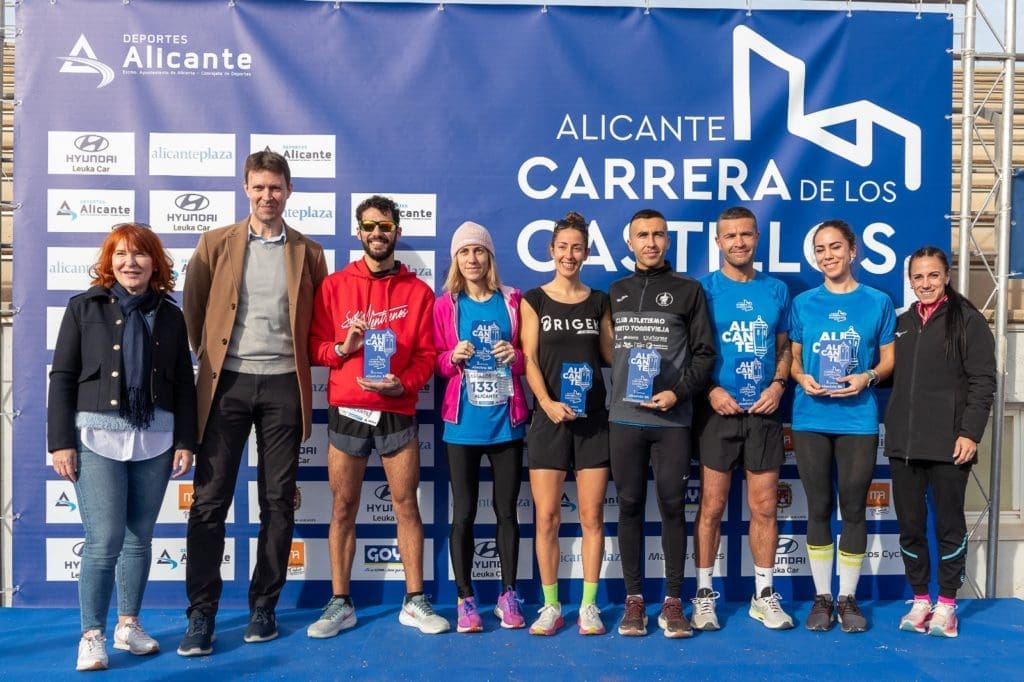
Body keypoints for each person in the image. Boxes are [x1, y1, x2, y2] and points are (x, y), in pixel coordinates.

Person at [179, 151, 328, 655]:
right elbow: (194, 312)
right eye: (259, 187)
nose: (268, 196)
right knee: (209, 501)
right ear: (246, 188)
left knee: (278, 502)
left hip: (285, 385)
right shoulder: (214, 243)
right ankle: (201, 613)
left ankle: (264, 606)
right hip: (227, 386)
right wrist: (213, 360)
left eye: (276, 188)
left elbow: (317, 322)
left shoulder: (309, 252)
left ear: (289, 191)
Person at [48, 223, 196, 671]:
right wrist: (61, 443)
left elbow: (184, 384)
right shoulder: (83, 307)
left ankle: (128, 624)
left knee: (139, 538)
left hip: (155, 439)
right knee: (105, 539)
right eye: (121, 255)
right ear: (109, 262)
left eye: (140, 254)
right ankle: (91, 634)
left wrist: (185, 440)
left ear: (155, 263)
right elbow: (63, 377)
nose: (130, 263)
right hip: (95, 438)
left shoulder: (170, 315)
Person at [306, 195, 449, 636]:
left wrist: (402, 384)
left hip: (396, 409)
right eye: (369, 226)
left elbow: (427, 356)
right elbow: (314, 347)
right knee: (343, 506)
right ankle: (340, 602)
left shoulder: (418, 292)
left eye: (385, 226)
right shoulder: (334, 286)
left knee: (406, 504)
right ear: (358, 232)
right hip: (348, 408)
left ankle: (414, 600)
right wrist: (342, 348)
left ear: (397, 232)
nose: (377, 233)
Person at [609, 208, 716, 639]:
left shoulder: (688, 290)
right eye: (642, 235)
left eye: (658, 235)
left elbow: (705, 354)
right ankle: (634, 600)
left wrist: (678, 392)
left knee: (673, 506)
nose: (650, 242)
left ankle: (673, 601)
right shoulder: (616, 291)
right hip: (624, 418)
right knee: (630, 506)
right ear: (630, 242)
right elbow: (606, 352)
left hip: (672, 420)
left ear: (668, 241)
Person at [789, 219, 895, 633]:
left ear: (853, 251)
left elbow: (888, 360)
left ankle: (848, 598)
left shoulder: (878, 302)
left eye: (835, 247)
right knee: (817, 507)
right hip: (811, 417)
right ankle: (823, 597)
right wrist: (801, 378)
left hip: (858, 419)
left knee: (852, 508)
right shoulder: (803, 303)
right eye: (820, 249)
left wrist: (867, 377)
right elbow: (793, 359)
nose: (828, 255)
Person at [693, 206, 794, 631]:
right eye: (730, 236)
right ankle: (703, 595)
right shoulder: (703, 290)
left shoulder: (776, 290)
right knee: (711, 506)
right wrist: (711, 391)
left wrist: (779, 385)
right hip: (718, 412)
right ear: (718, 242)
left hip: (763, 413)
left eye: (746, 235)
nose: (739, 242)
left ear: (757, 238)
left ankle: (764, 595)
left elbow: (785, 347)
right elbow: (691, 352)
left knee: (765, 506)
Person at [886, 246, 995, 638]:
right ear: (910, 280)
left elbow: (983, 381)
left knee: (949, 526)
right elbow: (887, 374)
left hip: (950, 445)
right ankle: (920, 600)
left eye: (933, 275)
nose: (926, 283)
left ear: (946, 276)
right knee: (910, 527)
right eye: (918, 277)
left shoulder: (968, 320)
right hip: (904, 445)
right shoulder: (901, 323)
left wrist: (970, 433)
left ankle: (946, 604)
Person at [520, 211, 613, 636]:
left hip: (593, 422)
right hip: (550, 420)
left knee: (592, 517)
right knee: (547, 519)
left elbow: (611, 355)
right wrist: (547, 402)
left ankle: (589, 606)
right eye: (563, 247)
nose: (569, 255)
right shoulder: (534, 300)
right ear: (551, 250)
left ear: (587, 252)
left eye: (577, 248)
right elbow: (529, 359)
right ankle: (551, 605)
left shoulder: (600, 301)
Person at [433, 221, 529, 632]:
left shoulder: (512, 300)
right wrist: (451, 356)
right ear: (455, 259)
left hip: (506, 423)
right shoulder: (446, 305)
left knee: (507, 511)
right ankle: (465, 599)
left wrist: (516, 357)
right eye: (464, 252)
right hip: (463, 425)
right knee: (465, 513)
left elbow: (529, 358)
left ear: (490, 257)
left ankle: (508, 595)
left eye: (478, 251)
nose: (471, 259)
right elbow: (436, 361)